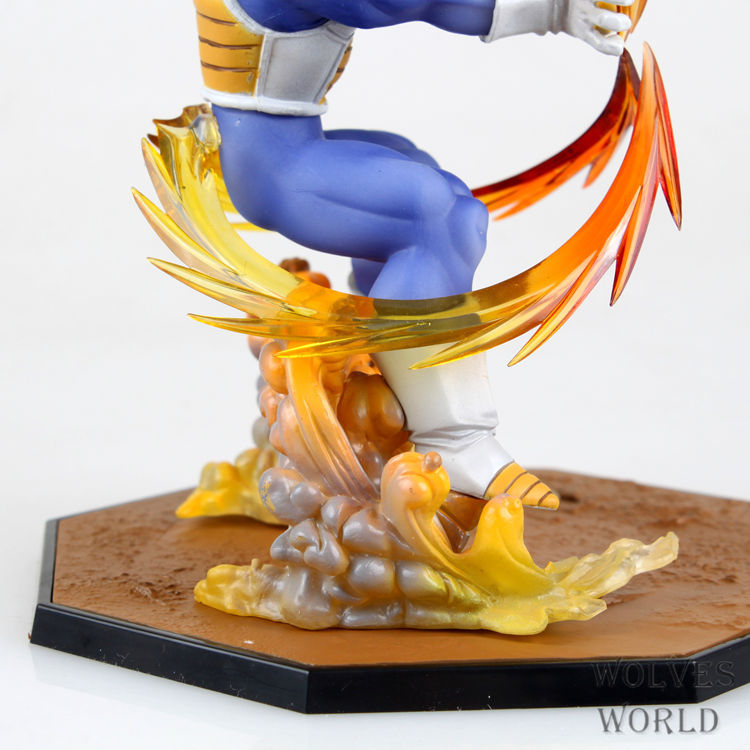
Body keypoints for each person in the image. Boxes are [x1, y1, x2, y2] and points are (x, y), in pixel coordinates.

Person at [194, 0, 634, 507]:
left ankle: (386, 358)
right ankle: (454, 442)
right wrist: (551, 11)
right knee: (431, 214)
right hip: (272, 170)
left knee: (428, 181)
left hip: (286, 144)